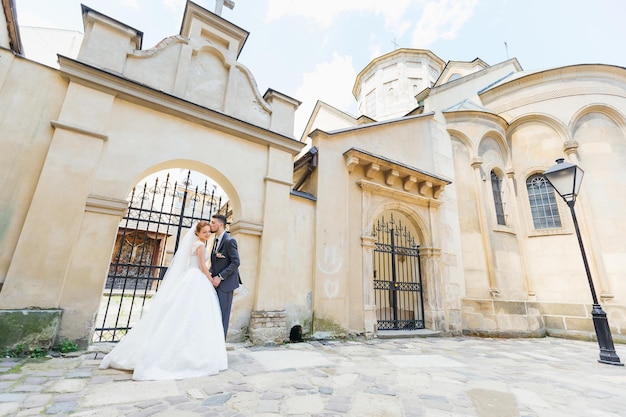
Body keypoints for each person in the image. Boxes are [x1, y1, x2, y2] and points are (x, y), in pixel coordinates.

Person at [99, 221, 227, 380]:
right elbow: (202, 267)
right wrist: (211, 280)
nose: (207, 234)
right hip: (197, 278)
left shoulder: (195, 244)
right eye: (205, 232)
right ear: (198, 233)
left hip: (191, 278)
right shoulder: (200, 246)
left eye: (209, 232)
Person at [209, 214, 241, 338]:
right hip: (215, 284)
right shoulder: (215, 240)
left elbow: (236, 262)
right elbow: (215, 263)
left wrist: (220, 277)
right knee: (214, 315)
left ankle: (220, 347)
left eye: (213, 223)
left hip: (226, 284)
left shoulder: (229, 240)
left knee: (222, 316)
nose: (211, 225)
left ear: (221, 224)